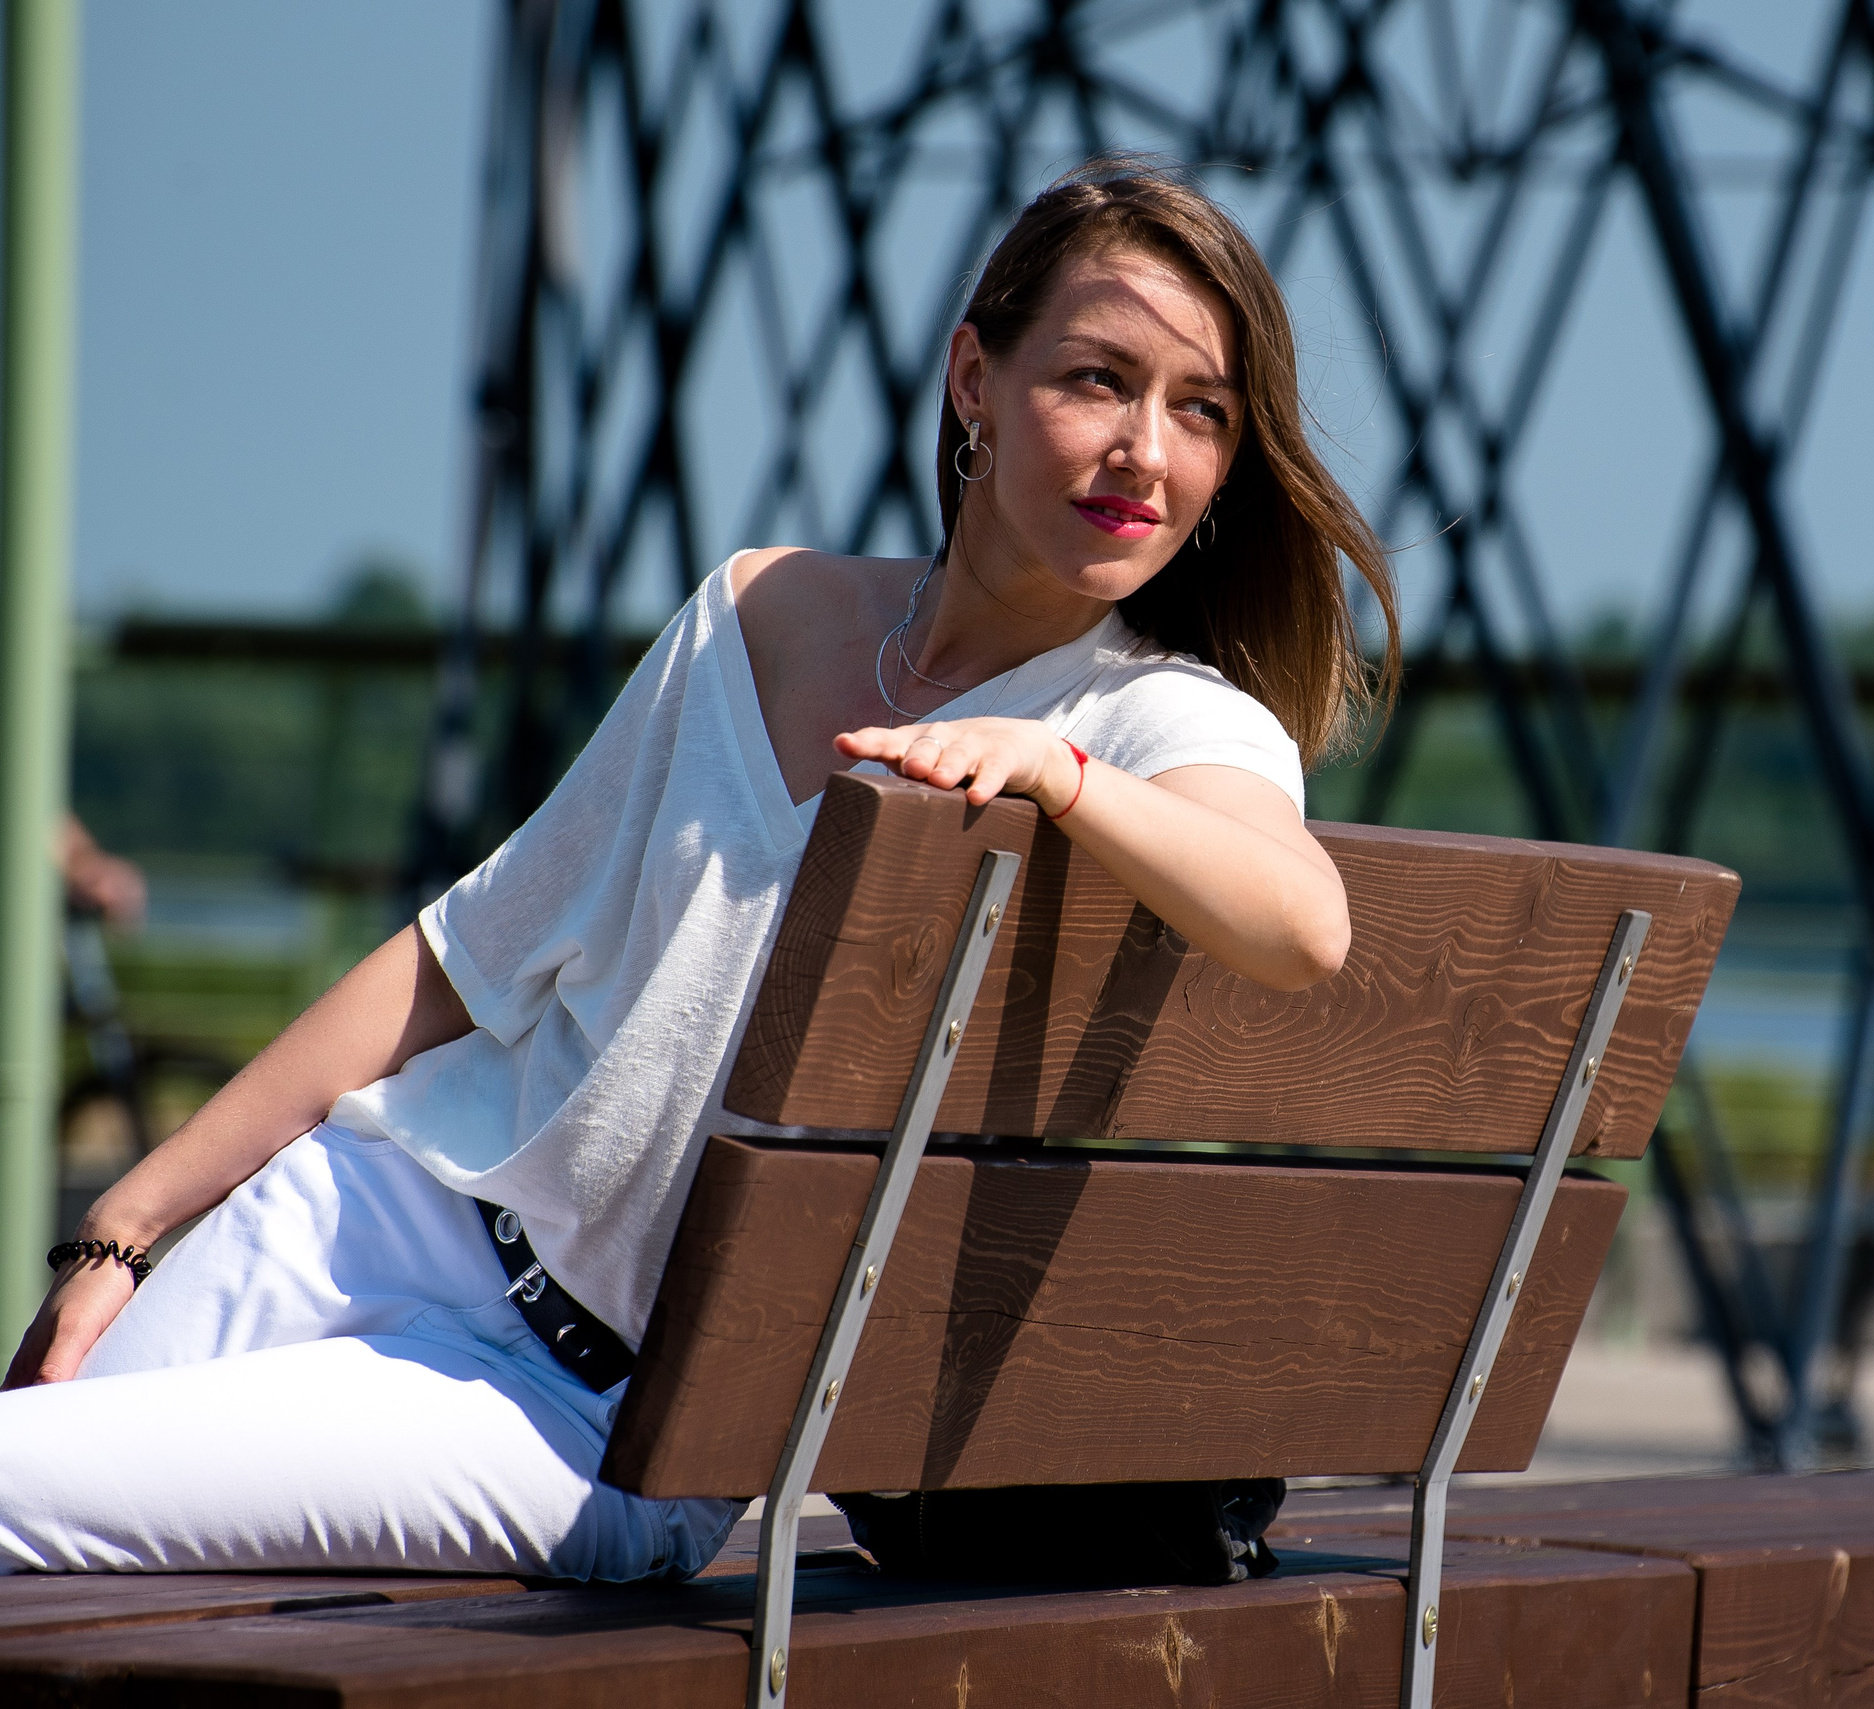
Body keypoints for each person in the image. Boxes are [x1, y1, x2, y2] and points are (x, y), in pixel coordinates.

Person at [0, 160, 1398, 1580]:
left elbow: (1303, 921)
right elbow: (462, 958)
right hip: (383, 1206)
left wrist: (1060, 777)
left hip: (589, 1418)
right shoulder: (763, 608)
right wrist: (125, 1225)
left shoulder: (1160, 717)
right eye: (1098, 379)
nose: (1145, 450)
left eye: (1201, 410)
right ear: (974, 377)